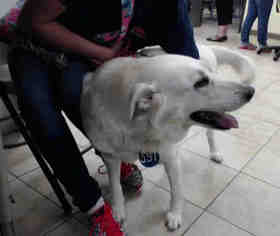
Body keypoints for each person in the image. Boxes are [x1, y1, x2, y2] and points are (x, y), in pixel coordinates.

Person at [8, 0, 199, 235]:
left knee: (78, 94)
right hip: (33, 43)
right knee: (41, 114)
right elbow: (33, 21)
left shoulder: (169, 6)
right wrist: (105, 53)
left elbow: (189, 65)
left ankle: (118, 158)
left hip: (80, 46)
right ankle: (93, 205)